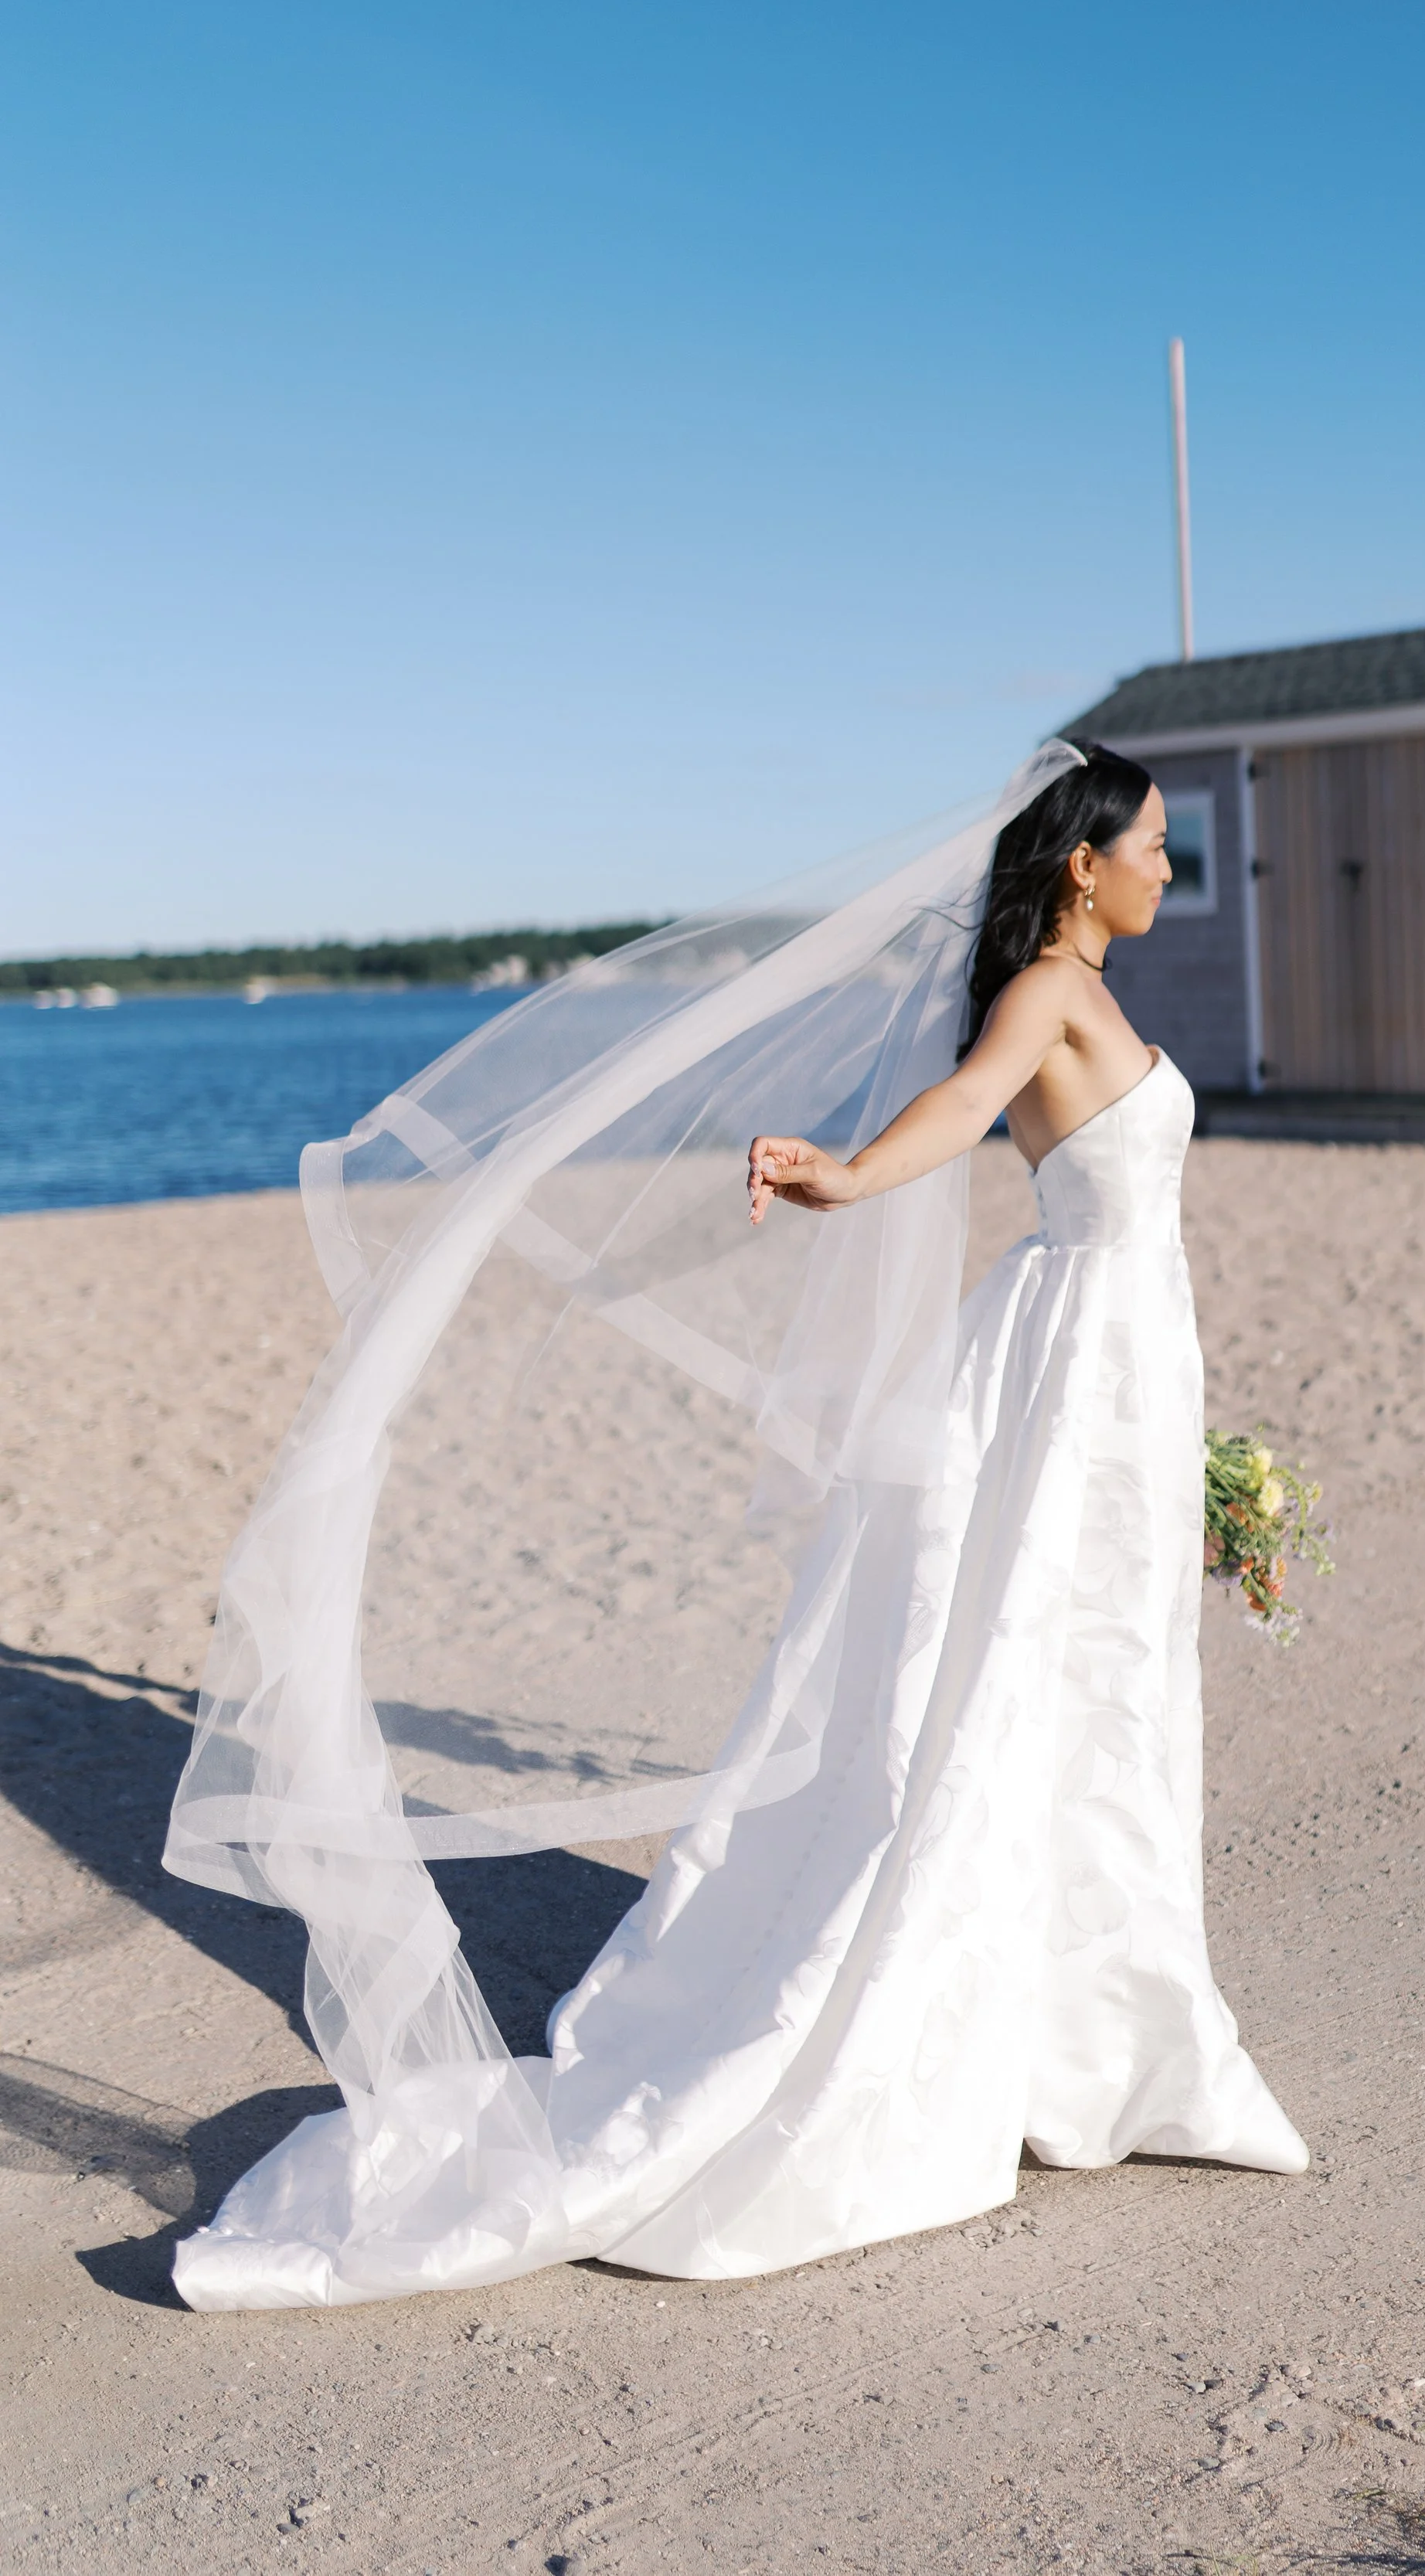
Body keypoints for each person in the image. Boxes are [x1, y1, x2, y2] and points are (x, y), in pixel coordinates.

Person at [168, 743, 1303, 2311]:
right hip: (1064, 1369)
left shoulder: (1097, 997)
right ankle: (1062, 2049)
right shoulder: (1044, 991)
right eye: (1154, 845)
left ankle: (1101, 2037)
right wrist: (844, 1176)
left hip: (1123, 1374)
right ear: (1077, 866)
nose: (1169, 868)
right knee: (1025, 1683)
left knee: (1110, 1693)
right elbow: (963, 1108)